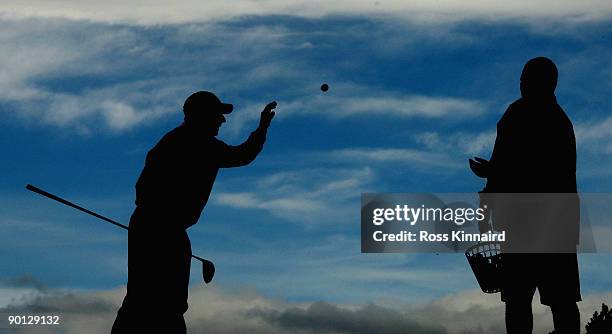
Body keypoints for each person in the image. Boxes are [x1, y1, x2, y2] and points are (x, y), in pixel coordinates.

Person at [111, 91, 277, 333]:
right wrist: (262, 128)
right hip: (161, 229)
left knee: (143, 299)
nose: (222, 120)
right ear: (201, 116)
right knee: (161, 303)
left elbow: (142, 191)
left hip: (153, 227)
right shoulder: (199, 144)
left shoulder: (180, 141)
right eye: (217, 115)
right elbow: (243, 155)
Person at [470, 57, 581, 334]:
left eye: (525, 78)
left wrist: (487, 200)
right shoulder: (560, 121)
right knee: (562, 299)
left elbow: (507, 169)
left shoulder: (516, 115)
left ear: (538, 82)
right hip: (559, 222)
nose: (520, 83)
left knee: (519, 300)